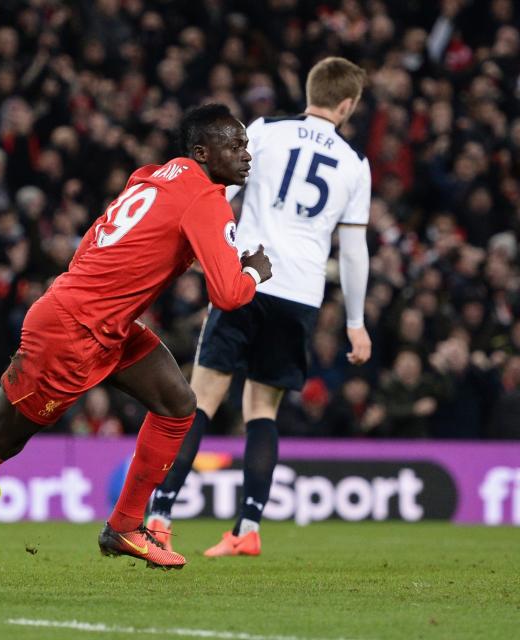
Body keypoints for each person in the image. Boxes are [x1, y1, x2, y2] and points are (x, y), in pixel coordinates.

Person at [0, 103, 273, 569]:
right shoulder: (206, 198)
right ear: (202, 152)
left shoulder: (150, 176)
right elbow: (230, 294)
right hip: (73, 330)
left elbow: (97, 239)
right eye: (234, 146)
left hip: (101, 320)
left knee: (177, 405)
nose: (246, 154)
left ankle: (125, 527)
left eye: (246, 145)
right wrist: (253, 271)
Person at [145, 57, 372, 557]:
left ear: (310, 90)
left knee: (199, 399)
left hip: (248, 276)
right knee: (261, 411)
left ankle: (159, 515)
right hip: (301, 295)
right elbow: (354, 249)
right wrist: (355, 323)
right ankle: (247, 528)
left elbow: (220, 189)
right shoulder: (356, 164)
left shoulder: (266, 131)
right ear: (348, 104)